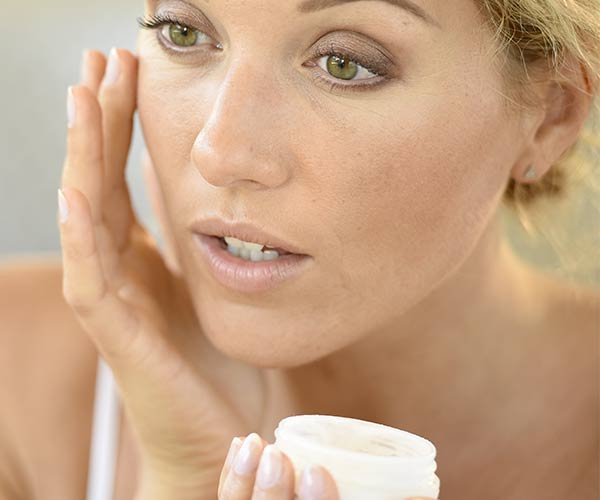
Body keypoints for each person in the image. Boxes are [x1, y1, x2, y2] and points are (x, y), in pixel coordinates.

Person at [0, 0, 598, 498]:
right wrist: (182, 480)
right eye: (184, 32)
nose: (220, 153)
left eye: (344, 64)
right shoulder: (15, 389)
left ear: (550, 115)